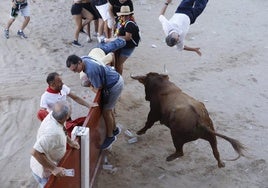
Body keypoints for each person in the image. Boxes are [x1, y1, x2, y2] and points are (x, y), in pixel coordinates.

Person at [66, 54, 123, 150]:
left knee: (106, 111)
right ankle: (115, 129)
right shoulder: (84, 58)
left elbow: (98, 88)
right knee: (109, 109)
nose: (76, 72)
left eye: (75, 69)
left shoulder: (91, 71)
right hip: (115, 79)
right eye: (73, 71)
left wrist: (89, 85)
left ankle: (110, 137)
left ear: (79, 62)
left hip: (114, 85)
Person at [30, 101, 80, 188]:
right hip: (44, 171)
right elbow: (35, 152)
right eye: (71, 111)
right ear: (67, 116)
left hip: (48, 162)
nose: (72, 111)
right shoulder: (53, 133)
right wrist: (54, 169)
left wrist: (70, 141)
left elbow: (62, 127)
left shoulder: (54, 116)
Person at [109, 5, 140, 75]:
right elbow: (115, 28)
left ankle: (119, 78)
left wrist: (116, 38)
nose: (124, 17)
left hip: (128, 46)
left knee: (118, 64)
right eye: (123, 15)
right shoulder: (119, 19)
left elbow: (128, 37)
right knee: (117, 62)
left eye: (126, 15)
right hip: (121, 44)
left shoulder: (130, 24)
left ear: (130, 15)